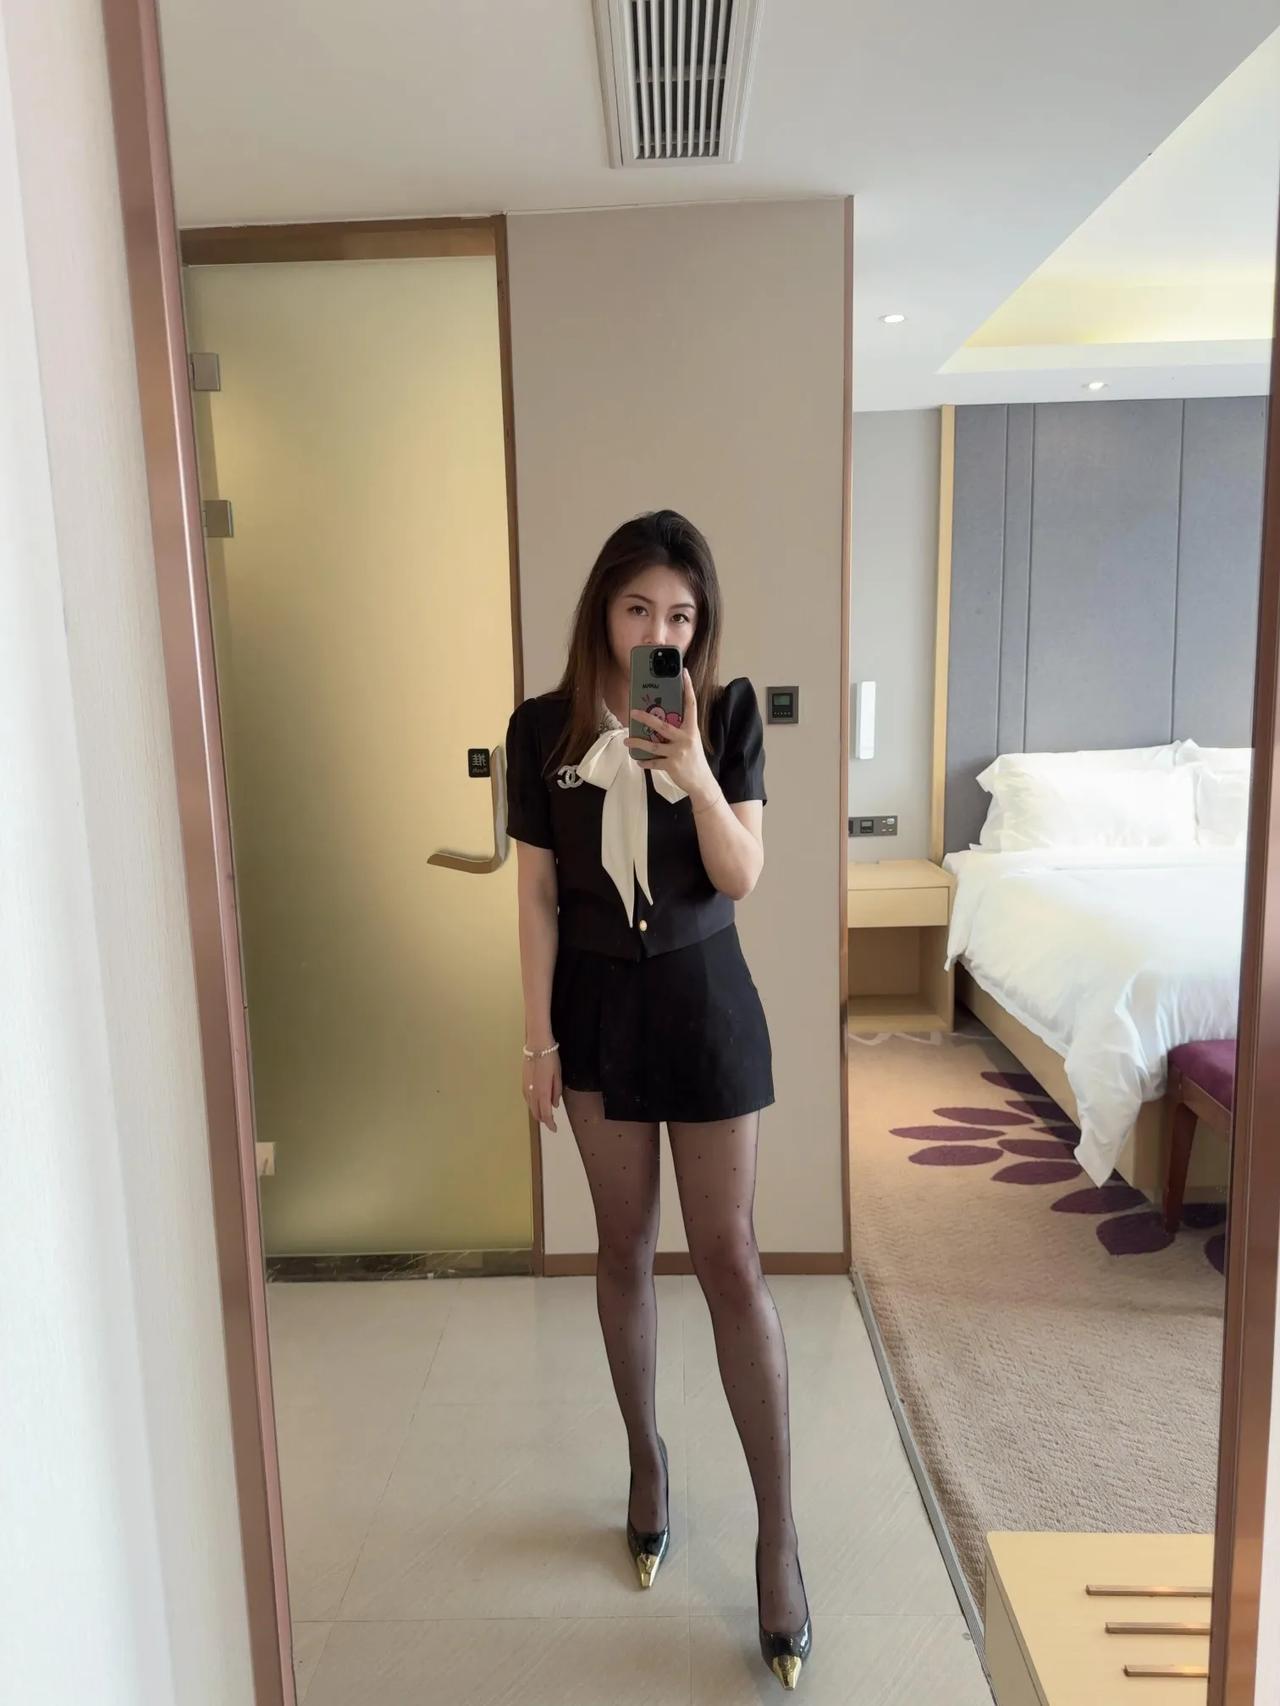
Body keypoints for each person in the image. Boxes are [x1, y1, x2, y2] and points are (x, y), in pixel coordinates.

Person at [504, 510, 812, 1691]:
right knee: (622, 1246)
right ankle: (646, 1461)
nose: (658, 632)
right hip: (594, 1007)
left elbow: (740, 874)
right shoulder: (541, 729)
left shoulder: (723, 716)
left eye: (679, 615)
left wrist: (690, 775)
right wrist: (536, 1038)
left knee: (729, 1257)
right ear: (602, 609)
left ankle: (775, 1537)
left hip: (704, 998)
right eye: (638, 607)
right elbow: (537, 897)